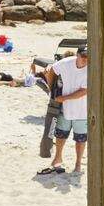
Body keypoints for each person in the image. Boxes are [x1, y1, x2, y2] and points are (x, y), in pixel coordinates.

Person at [38, 46, 89, 174]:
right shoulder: (66, 63)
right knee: (60, 135)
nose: (85, 59)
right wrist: (51, 89)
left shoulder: (91, 68)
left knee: (81, 139)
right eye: (83, 56)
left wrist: (64, 98)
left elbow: (84, 91)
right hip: (63, 108)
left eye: (88, 57)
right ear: (77, 55)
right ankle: (57, 158)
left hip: (83, 109)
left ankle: (78, 164)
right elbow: (51, 71)